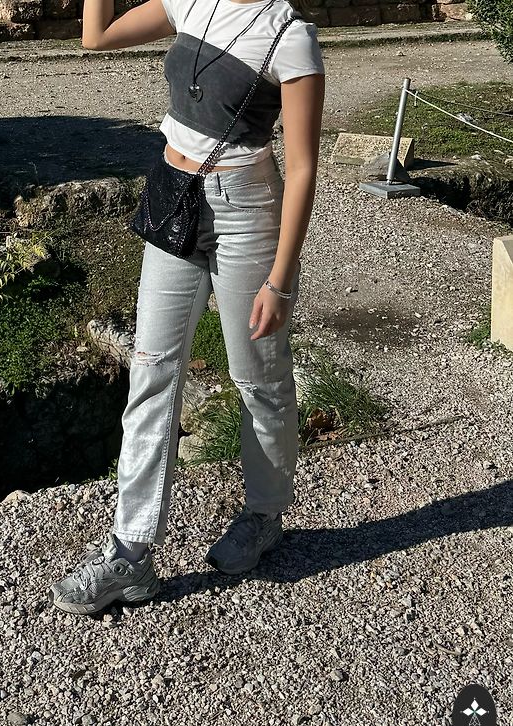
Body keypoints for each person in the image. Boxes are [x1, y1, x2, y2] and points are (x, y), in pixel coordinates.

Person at [49, 0, 325, 615]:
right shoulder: (191, 1)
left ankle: (264, 514)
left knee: (258, 376)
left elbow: (304, 168)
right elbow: (96, 36)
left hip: (246, 209)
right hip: (174, 196)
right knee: (150, 371)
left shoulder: (290, 35)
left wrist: (281, 280)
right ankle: (130, 553)